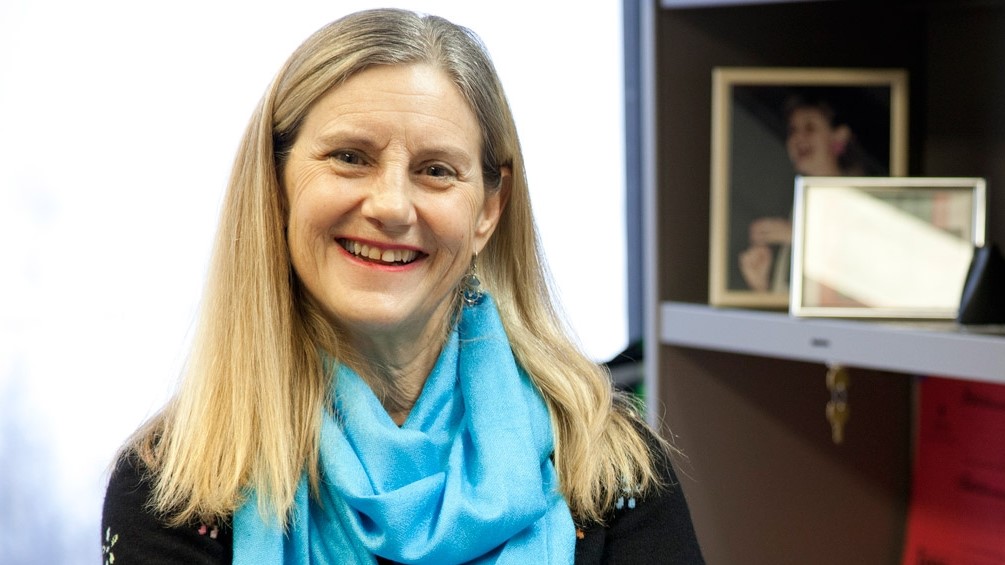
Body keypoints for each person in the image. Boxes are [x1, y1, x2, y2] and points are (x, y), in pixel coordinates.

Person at [101, 9, 704, 564]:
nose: (391, 206)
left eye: (436, 170)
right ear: (277, 184)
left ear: (489, 210)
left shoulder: (609, 468)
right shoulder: (175, 484)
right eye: (349, 157)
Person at [738, 93, 868, 293]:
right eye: (793, 130)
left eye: (810, 128)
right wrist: (761, 286)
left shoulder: (859, 198)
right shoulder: (797, 203)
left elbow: (861, 272)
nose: (798, 138)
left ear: (839, 136)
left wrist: (797, 236)